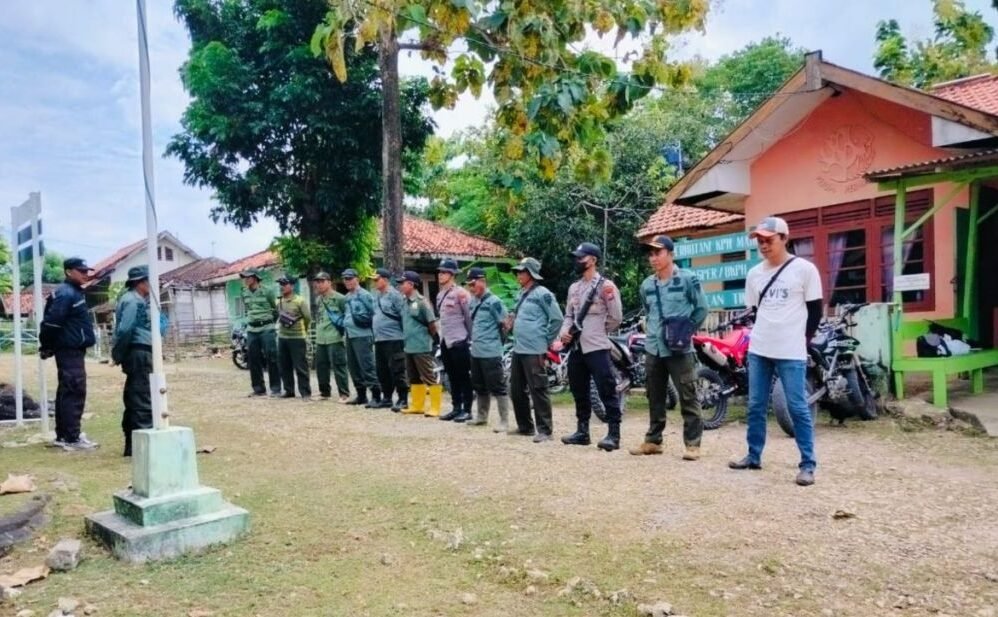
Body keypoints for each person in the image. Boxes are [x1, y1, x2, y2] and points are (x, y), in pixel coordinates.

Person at [729, 216, 823, 486]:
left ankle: (807, 464)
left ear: (784, 238)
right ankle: (753, 455)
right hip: (760, 347)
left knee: (797, 407)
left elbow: (815, 310)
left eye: (768, 240)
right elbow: (756, 310)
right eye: (759, 241)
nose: (763, 245)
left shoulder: (804, 270)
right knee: (756, 404)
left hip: (791, 349)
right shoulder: (755, 274)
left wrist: (802, 339)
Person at [628, 235, 708, 460]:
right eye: (650, 254)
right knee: (654, 395)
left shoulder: (687, 279)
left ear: (671, 254)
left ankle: (693, 444)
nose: (653, 258)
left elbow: (702, 308)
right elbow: (649, 311)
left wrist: (687, 330)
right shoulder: (646, 285)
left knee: (687, 393)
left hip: (679, 348)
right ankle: (654, 441)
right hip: (654, 347)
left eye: (658, 253)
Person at [559, 242, 624, 451]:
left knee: (607, 390)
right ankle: (582, 431)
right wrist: (565, 331)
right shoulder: (574, 288)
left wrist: (596, 331)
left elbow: (616, 317)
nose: (577, 261)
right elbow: (569, 315)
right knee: (579, 390)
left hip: (596, 346)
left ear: (593, 260)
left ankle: (614, 434)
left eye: (581, 258)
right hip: (577, 348)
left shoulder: (606, 286)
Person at [39, 257, 98, 451]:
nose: (85, 274)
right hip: (69, 349)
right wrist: (46, 345)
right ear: (68, 272)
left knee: (67, 391)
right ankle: (71, 437)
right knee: (74, 390)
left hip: (73, 349)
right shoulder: (66, 294)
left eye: (86, 271)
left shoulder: (74, 292)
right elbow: (52, 323)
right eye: (81, 271)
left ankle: (65, 434)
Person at [505, 257, 563, 443]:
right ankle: (525, 426)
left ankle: (545, 430)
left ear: (531, 274)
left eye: (522, 271)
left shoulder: (543, 294)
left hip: (534, 349)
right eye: (518, 271)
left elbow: (557, 319)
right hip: (519, 348)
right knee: (516, 389)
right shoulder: (522, 294)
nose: (518, 274)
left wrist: (545, 341)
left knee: (538, 388)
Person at [112, 265, 154, 457]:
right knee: (142, 398)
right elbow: (125, 330)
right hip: (138, 352)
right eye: (149, 281)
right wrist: (118, 354)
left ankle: (132, 445)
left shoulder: (136, 300)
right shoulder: (133, 301)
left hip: (139, 351)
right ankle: (142, 448)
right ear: (141, 282)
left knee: (134, 397)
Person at [464, 267, 510, 432]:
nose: (470, 288)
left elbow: (505, 325)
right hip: (476, 350)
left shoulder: (494, 302)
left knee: (498, 386)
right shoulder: (473, 301)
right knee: (479, 385)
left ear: (482, 281)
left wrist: (497, 344)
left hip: (491, 352)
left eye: (473, 284)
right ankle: (482, 417)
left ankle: (504, 421)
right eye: (469, 285)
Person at [396, 271, 442, 416]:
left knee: (428, 376)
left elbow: (432, 324)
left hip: (421, 345)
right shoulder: (404, 301)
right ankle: (417, 405)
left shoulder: (422, 302)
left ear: (411, 284)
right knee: (413, 376)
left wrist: (428, 338)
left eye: (402, 283)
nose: (400, 286)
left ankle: (435, 407)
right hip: (408, 345)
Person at [435, 259, 474, 423]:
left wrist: (470, 338)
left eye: (444, 272)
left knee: (463, 376)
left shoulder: (461, 293)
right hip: (445, 340)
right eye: (440, 272)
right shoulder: (440, 294)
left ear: (452, 275)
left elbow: (469, 317)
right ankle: (456, 407)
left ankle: (467, 409)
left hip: (459, 340)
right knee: (451, 376)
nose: (440, 275)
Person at [239, 268, 281, 397]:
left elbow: (275, 310)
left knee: (272, 357)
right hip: (252, 329)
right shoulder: (244, 293)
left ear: (255, 278)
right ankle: (258, 389)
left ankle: (275, 388)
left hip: (267, 328)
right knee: (253, 359)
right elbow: (248, 310)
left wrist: (268, 323)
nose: (245, 279)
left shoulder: (267, 291)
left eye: (248, 277)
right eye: (244, 277)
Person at [370, 268, 408, 411]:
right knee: (382, 370)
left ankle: (403, 398)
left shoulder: (395, 295)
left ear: (385, 280)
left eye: (376, 279)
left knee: (397, 369)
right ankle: (387, 397)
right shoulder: (376, 296)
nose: (374, 282)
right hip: (380, 339)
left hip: (394, 338)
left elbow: (403, 315)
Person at [342, 268, 380, 405]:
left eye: (350, 278)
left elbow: (374, 314)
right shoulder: (346, 297)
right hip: (350, 335)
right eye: (345, 279)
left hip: (363, 335)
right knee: (353, 366)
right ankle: (361, 394)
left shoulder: (365, 295)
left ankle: (376, 395)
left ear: (357, 279)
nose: (347, 281)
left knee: (367, 365)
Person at [312, 272, 350, 402]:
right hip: (321, 337)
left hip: (335, 336)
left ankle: (344, 393)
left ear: (329, 282)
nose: (319, 284)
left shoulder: (340, 298)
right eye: (318, 282)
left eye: (322, 281)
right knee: (321, 366)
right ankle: (325, 392)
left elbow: (347, 316)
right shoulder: (318, 299)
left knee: (339, 365)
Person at [276, 276, 311, 399]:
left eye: (285, 284)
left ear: (292, 286)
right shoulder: (278, 301)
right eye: (281, 284)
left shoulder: (300, 301)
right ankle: (289, 390)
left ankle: (305, 392)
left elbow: (307, 318)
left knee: (300, 366)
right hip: (282, 337)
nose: (282, 287)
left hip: (297, 337)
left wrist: (303, 331)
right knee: (284, 365)